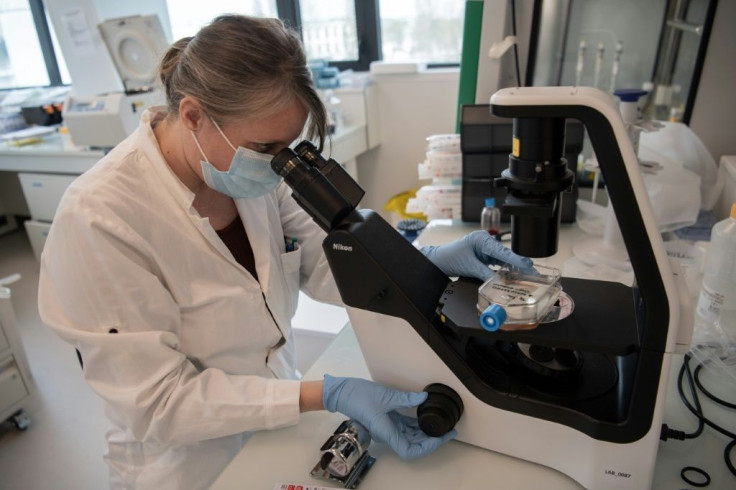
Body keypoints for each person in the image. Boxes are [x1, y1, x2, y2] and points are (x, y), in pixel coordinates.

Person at [38, 15, 532, 489]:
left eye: (289, 147)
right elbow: (159, 404)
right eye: (266, 146)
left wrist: (423, 263)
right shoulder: (101, 218)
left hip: (276, 427)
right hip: (188, 466)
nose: (280, 165)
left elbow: (329, 266)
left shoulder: (249, 172)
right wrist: (328, 392)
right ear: (193, 115)